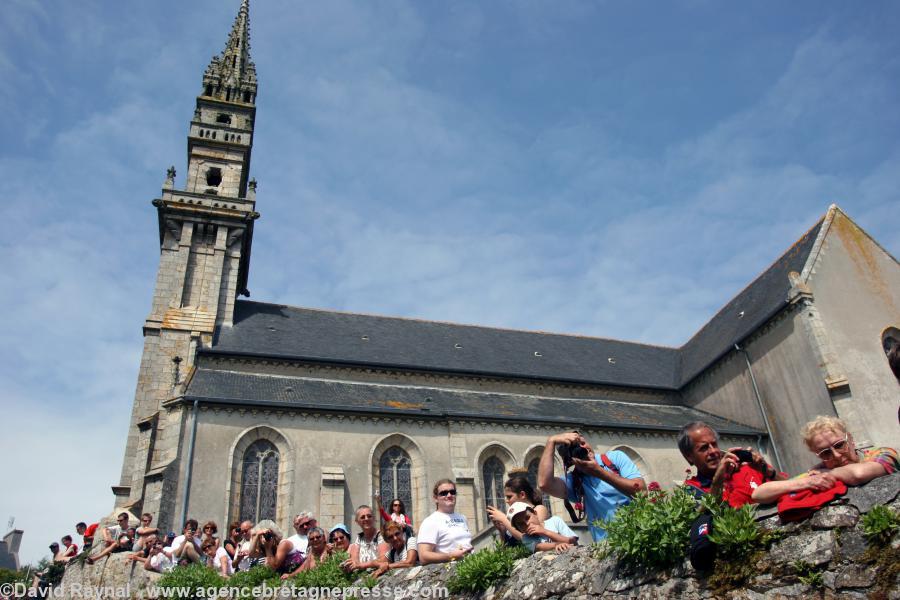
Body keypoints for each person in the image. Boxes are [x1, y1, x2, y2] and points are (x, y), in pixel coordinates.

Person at [751, 416, 899, 504]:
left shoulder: (883, 453)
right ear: (817, 454)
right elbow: (758, 493)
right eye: (825, 453)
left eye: (839, 445)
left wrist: (828, 473)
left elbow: (858, 474)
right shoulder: (818, 473)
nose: (837, 455)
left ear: (851, 439)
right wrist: (807, 481)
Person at [538, 431, 645, 541]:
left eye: (583, 443)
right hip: (607, 546)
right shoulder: (574, 481)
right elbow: (544, 484)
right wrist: (551, 441)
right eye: (576, 449)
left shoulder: (614, 458)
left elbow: (641, 490)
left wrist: (599, 472)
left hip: (638, 537)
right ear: (569, 460)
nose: (583, 449)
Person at [678, 421, 786, 506]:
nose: (713, 451)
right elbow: (705, 519)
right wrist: (717, 482)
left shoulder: (749, 467)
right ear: (689, 457)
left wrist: (769, 472)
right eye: (704, 448)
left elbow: (791, 489)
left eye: (714, 444)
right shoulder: (691, 490)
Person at [416, 479, 472, 564]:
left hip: (470, 568)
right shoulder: (430, 521)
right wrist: (451, 556)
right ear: (435, 498)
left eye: (452, 492)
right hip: (449, 573)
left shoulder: (463, 518)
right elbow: (423, 556)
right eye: (443, 493)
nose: (449, 495)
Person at [486, 475, 549, 544]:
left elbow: (533, 541)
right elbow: (505, 548)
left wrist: (503, 519)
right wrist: (503, 531)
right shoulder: (512, 518)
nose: (506, 501)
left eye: (509, 497)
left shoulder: (539, 509)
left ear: (522, 495)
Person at [506, 502, 577, 553]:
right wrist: (557, 544)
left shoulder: (555, 521)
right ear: (518, 529)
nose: (527, 523)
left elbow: (572, 541)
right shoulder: (526, 538)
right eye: (521, 524)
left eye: (527, 518)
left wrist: (544, 531)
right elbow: (539, 547)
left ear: (535, 514)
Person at [342, 506, 387, 575]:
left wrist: (361, 565)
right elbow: (354, 562)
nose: (366, 519)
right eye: (362, 517)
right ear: (357, 521)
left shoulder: (382, 536)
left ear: (374, 518)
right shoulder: (359, 539)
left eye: (369, 516)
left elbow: (383, 560)